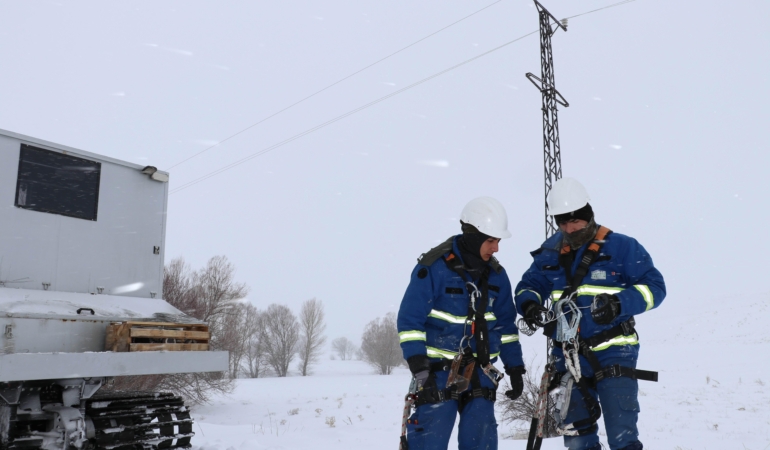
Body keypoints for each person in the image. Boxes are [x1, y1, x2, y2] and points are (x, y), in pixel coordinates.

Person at [514, 177, 666, 450]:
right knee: (577, 439)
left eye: (575, 221)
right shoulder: (549, 253)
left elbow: (655, 288)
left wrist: (619, 304)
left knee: (622, 437)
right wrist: (531, 306)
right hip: (568, 357)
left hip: (614, 352)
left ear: (589, 214)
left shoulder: (622, 247)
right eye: (563, 222)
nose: (569, 228)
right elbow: (528, 287)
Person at [397, 196, 526, 450]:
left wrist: (515, 368)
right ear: (474, 236)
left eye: (498, 241)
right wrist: (419, 366)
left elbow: (506, 328)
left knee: (481, 440)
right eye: (491, 241)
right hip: (436, 375)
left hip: (480, 373)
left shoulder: (497, 277)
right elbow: (410, 320)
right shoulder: (433, 267)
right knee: (429, 441)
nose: (496, 248)